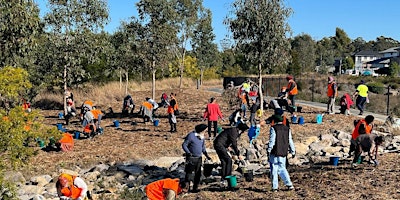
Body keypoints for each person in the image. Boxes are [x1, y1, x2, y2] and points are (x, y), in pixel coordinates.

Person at [267, 114, 296, 192]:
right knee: (282, 168)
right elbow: (290, 140)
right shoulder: (287, 129)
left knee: (274, 169)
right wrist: (293, 151)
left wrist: (269, 150)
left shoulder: (274, 128)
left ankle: (275, 187)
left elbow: (272, 140)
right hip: (283, 152)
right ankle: (289, 184)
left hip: (275, 152)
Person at [182, 124, 211, 192]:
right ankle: (187, 188)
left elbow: (202, 147)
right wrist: (188, 153)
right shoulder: (191, 136)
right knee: (189, 173)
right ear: (201, 130)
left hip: (199, 158)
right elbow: (184, 145)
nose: (205, 132)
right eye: (205, 130)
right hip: (191, 158)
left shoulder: (202, 136)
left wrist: (206, 155)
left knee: (198, 173)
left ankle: (195, 188)